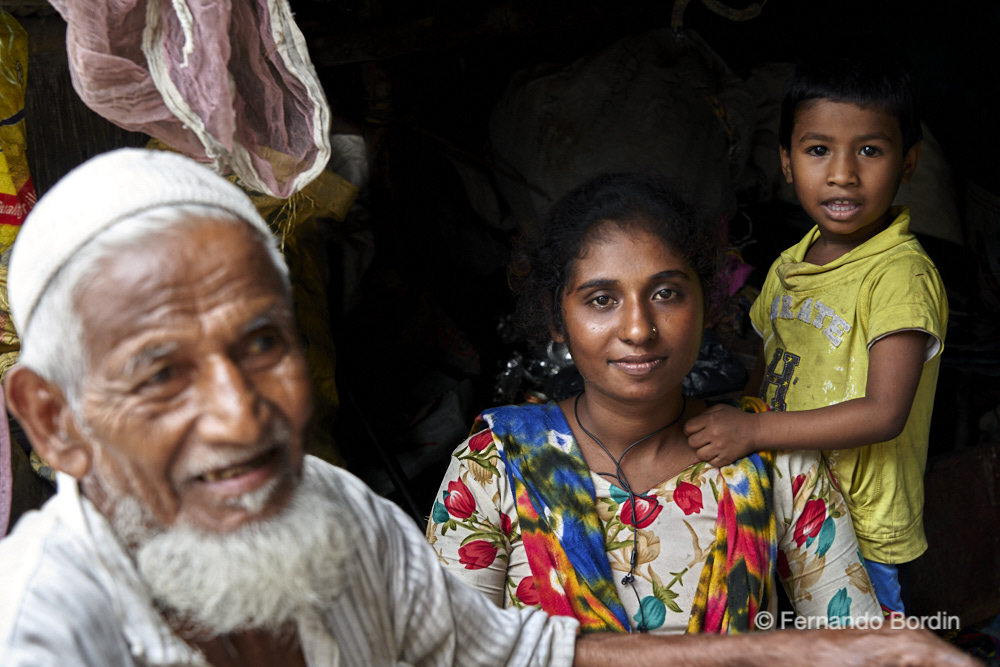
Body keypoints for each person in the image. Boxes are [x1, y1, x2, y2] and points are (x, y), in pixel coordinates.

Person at [0, 150, 972, 667]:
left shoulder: (339, 521)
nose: (234, 412)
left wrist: (858, 642)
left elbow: (503, 650)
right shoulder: (37, 627)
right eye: (161, 369)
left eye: (263, 344)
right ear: (50, 421)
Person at [427, 172, 884, 636]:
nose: (639, 329)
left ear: (705, 303)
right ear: (556, 319)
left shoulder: (772, 457)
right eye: (602, 299)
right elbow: (451, 648)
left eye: (665, 293)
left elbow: (858, 644)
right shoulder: (494, 463)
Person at [683, 47, 948, 616]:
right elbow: (761, 379)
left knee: (856, 649)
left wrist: (755, 434)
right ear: (786, 161)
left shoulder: (899, 274)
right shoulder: (787, 267)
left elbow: (884, 413)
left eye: (870, 150)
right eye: (819, 149)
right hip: (786, 502)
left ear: (908, 162)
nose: (843, 173)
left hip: (861, 524)